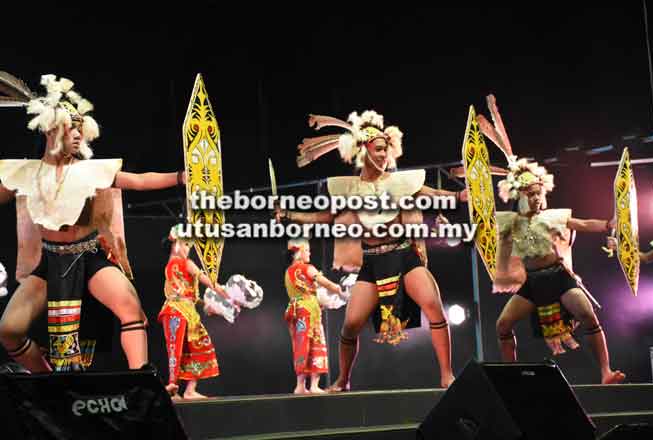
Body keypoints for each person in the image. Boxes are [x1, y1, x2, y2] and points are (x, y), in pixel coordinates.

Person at [0, 74, 184, 372]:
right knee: (9, 329)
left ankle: (141, 379)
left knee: (130, 308)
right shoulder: (27, 172)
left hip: (88, 257)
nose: (77, 135)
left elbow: (138, 181)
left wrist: (179, 177)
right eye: (71, 129)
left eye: (79, 130)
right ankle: (46, 379)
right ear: (50, 131)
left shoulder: (91, 170)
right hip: (50, 263)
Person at [277, 110, 466, 390]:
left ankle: (447, 375)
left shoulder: (400, 183)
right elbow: (324, 216)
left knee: (433, 306)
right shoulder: (350, 189)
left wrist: (460, 196)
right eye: (378, 149)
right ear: (362, 151)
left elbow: (437, 196)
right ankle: (343, 380)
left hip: (404, 256)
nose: (383, 154)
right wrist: (290, 215)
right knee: (350, 324)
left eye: (385, 149)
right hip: (371, 261)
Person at [493, 158, 625, 384]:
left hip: (559, 277)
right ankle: (510, 377)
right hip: (533, 283)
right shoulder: (509, 223)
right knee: (502, 325)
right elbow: (489, 236)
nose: (536, 198)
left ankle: (606, 372)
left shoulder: (551, 216)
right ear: (519, 196)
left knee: (587, 315)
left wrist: (608, 224)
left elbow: (582, 224)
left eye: (538, 193)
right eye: (530, 194)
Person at [159, 224, 234, 400]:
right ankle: (173, 387)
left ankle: (190, 390)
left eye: (188, 245)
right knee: (175, 349)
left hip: (189, 312)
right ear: (175, 243)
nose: (187, 248)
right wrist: (221, 289)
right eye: (185, 244)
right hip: (175, 310)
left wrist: (206, 304)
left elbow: (189, 295)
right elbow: (204, 279)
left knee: (198, 346)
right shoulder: (183, 263)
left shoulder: (173, 265)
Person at [284, 238, 343, 394]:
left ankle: (300, 385)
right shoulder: (308, 268)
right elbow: (326, 283)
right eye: (308, 250)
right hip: (309, 311)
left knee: (301, 346)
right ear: (300, 251)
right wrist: (338, 289)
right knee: (316, 343)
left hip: (296, 311)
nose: (310, 253)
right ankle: (314, 385)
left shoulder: (288, 272)